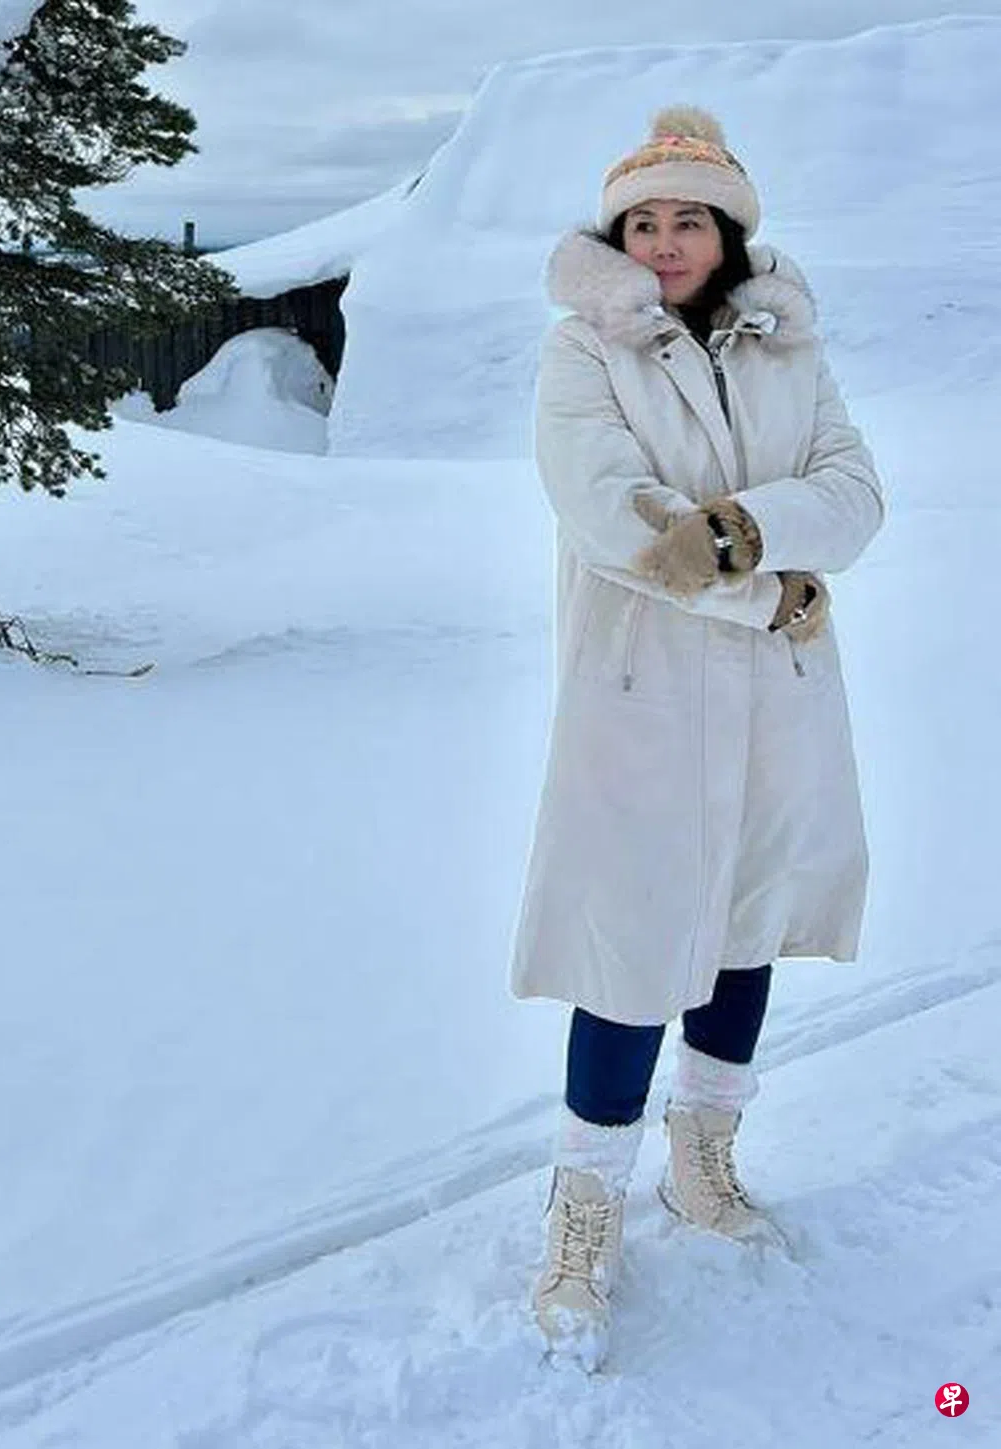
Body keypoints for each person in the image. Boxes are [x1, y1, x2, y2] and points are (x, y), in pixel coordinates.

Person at [509, 105, 884, 1368]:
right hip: (644, 691)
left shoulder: (790, 347)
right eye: (643, 223)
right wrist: (764, 587)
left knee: (744, 923)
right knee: (630, 941)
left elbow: (853, 493)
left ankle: (702, 1161)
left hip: (776, 699)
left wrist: (742, 533)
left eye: (689, 220)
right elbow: (618, 520)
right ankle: (583, 1214)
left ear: (728, 234)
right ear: (617, 238)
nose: (665, 242)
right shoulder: (583, 353)